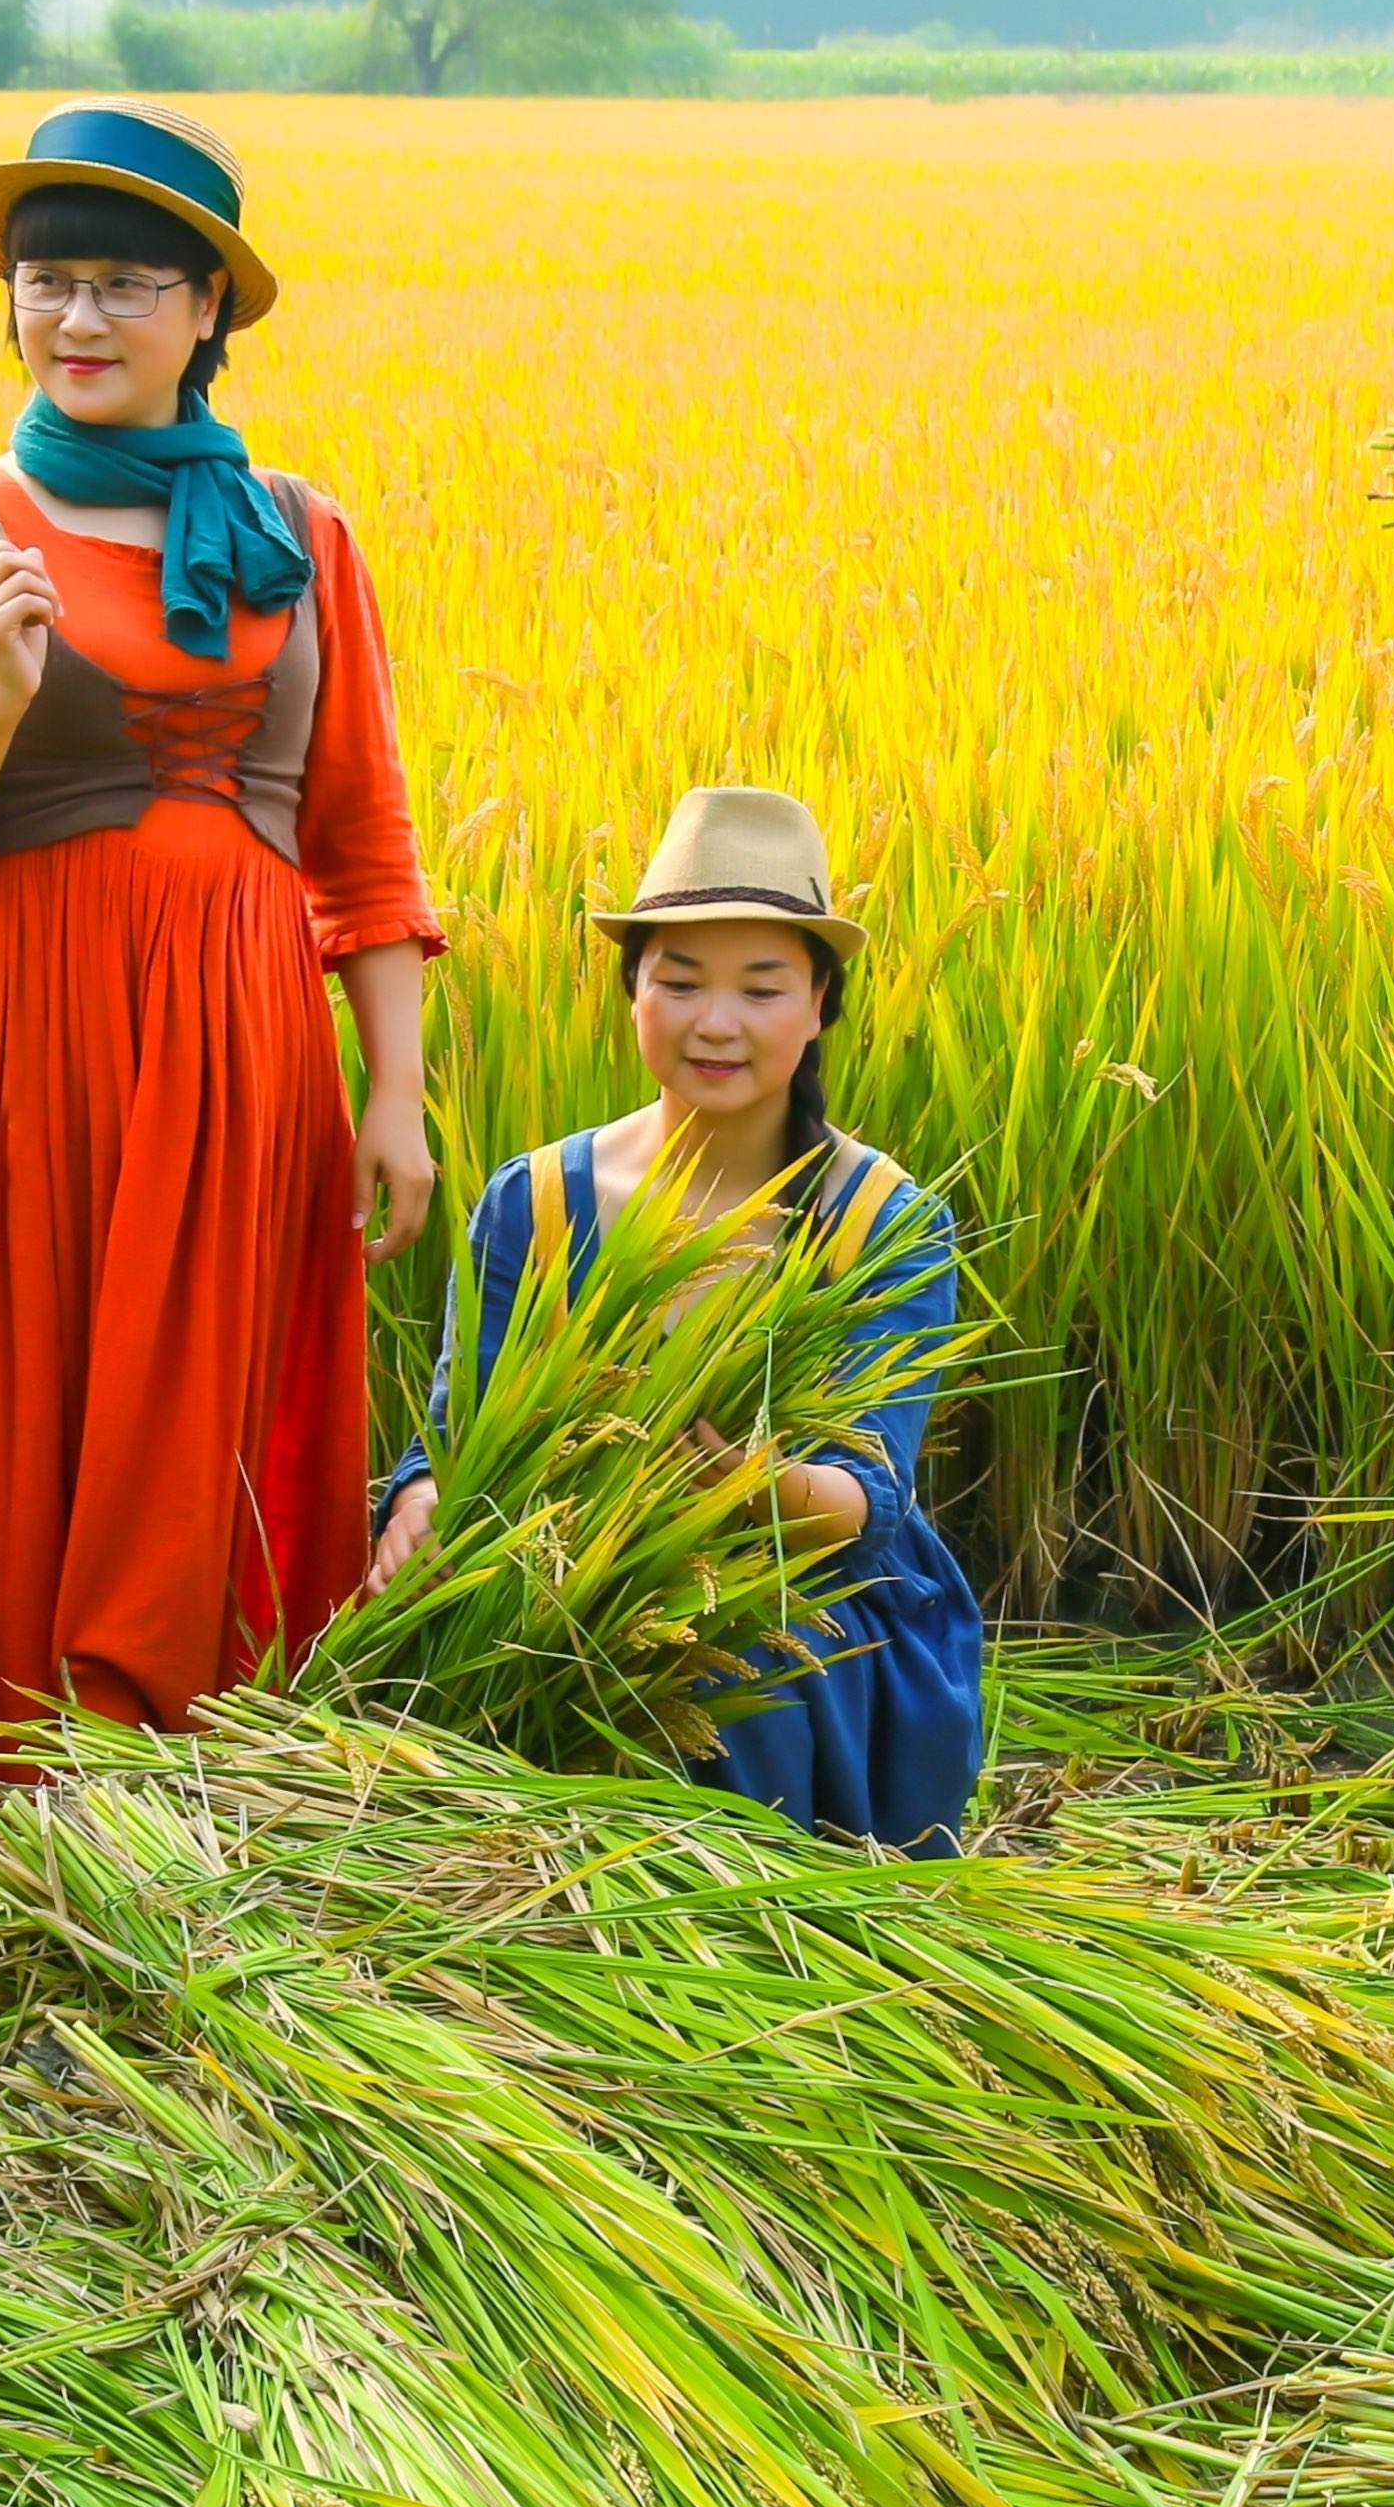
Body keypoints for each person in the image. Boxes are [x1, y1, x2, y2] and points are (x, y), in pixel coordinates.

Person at [0, 103, 440, 1838]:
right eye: (46, 283)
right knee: (14, 1436)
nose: (76, 320)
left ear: (205, 315)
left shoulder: (301, 534)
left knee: (209, 1443)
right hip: (22, 1054)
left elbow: (362, 837)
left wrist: (392, 1088)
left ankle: (200, 1846)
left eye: (121, 285)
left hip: (247, 1058)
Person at [368, 787, 985, 1854]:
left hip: (804, 1592)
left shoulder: (881, 1221)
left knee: (731, 1658)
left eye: (760, 987)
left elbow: (871, 1493)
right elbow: (461, 1420)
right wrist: (420, 1496)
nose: (715, 1021)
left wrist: (753, 1487)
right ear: (632, 990)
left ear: (818, 1004)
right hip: (564, 1567)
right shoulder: (539, 1199)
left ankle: (750, 1922)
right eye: (680, 980)